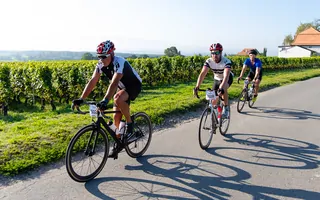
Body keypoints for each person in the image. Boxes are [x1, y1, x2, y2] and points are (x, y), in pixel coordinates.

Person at [72, 40, 142, 157]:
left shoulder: (119, 62)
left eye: (104, 57)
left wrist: (105, 100)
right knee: (116, 117)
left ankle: (129, 123)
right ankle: (119, 143)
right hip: (122, 87)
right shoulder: (100, 64)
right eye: (99, 57)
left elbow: (114, 83)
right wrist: (81, 98)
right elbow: (93, 81)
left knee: (117, 98)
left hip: (133, 85)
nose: (102, 59)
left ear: (112, 54)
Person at [193, 43, 234, 118]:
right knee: (213, 100)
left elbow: (226, 76)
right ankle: (215, 117)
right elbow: (202, 74)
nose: (214, 55)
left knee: (223, 90)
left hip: (227, 78)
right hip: (217, 79)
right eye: (212, 53)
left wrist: (221, 88)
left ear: (221, 53)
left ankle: (226, 108)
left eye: (217, 53)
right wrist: (197, 86)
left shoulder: (226, 61)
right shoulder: (209, 61)